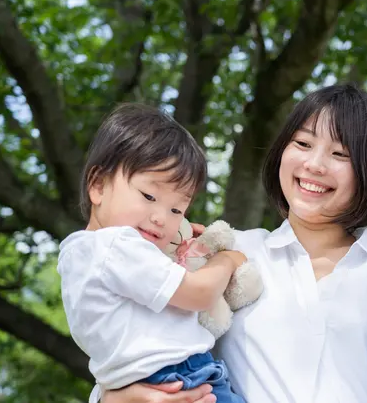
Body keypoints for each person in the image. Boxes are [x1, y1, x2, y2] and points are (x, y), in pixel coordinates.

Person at [94, 84, 367, 403]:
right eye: (302, 144)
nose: (314, 164)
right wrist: (109, 398)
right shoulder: (229, 252)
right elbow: (133, 343)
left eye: (340, 153)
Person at [58, 104, 246, 402]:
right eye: (148, 196)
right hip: (181, 377)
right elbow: (199, 294)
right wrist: (227, 259)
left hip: (141, 383)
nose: (161, 218)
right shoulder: (114, 245)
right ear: (98, 185)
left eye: (176, 209)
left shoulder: (79, 255)